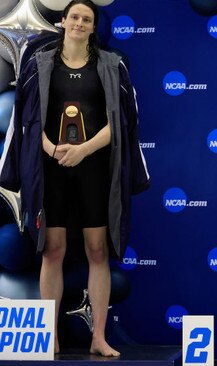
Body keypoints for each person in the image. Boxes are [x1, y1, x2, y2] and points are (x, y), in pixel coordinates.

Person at [0, 0, 150, 356]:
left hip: (95, 171)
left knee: (98, 251)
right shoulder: (39, 64)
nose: (80, 22)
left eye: (87, 18)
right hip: (51, 171)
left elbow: (123, 124)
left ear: (93, 27)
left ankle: (98, 337)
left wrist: (83, 150)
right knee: (52, 251)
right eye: (75, 17)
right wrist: (52, 150)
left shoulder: (113, 66)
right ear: (63, 21)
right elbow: (26, 121)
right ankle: (48, 335)